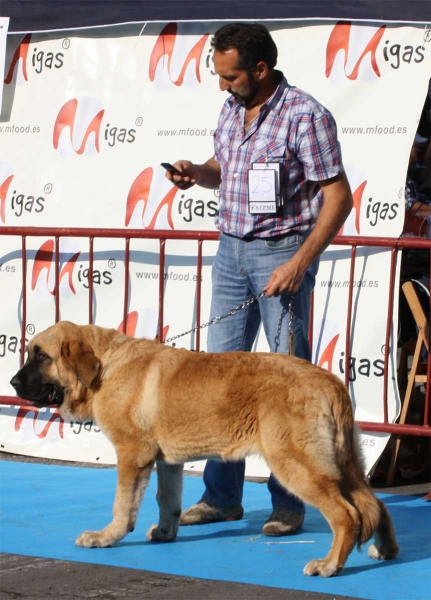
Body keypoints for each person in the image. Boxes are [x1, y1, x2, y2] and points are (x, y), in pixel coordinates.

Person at [165, 23, 353, 536]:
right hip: (230, 252)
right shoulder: (230, 108)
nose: (222, 86)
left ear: (261, 69)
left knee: (286, 385)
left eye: (230, 76)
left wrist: (300, 263)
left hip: (283, 253)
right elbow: (224, 167)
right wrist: (194, 173)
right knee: (216, 381)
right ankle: (221, 497)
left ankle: (289, 502)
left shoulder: (305, 115)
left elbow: (339, 196)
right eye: (220, 76)